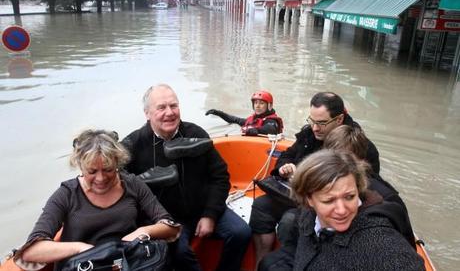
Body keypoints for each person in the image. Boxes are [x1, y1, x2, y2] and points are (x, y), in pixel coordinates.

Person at [122, 84, 251, 271]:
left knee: (241, 233)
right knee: (180, 252)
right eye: (161, 107)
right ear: (147, 113)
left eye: (174, 106)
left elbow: (220, 176)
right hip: (166, 219)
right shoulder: (133, 144)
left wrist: (210, 215)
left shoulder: (196, 134)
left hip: (203, 207)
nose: (169, 112)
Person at [15, 129, 180, 270]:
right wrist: (81, 249)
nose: (100, 178)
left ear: (117, 162)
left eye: (108, 170)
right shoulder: (66, 194)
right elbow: (31, 251)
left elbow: (170, 227)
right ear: (80, 166)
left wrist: (143, 232)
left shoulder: (132, 184)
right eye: (92, 171)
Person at [249, 92, 380, 266]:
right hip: (296, 194)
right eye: (312, 121)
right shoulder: (310, 134)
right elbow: (287, 155)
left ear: (339, 119)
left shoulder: (360, 147)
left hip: (324, 205)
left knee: (290, 220)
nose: (315, 128)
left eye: (322, 123)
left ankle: (298, 262)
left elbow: (364, 188)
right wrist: (284, 167)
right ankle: (259, 262)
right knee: (261, 206)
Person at [258, 149, 425, 271]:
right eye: (329, 200)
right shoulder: (307, 216)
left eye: (349, 197)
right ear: (309, 199)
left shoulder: (380, 242)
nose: (342, 210)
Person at [205, 90, 283, 136]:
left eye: (261, 103)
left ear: (269, 106)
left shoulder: (271, 121)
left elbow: (270, 129)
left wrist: (257, 130)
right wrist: (219, 113)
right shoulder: (253, 119)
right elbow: (235, 120)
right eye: (256, 103)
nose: (257, 106)